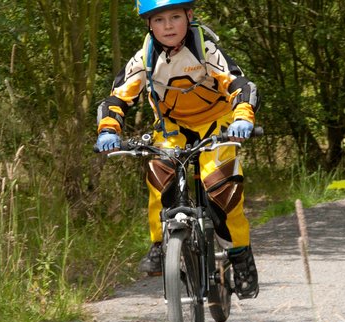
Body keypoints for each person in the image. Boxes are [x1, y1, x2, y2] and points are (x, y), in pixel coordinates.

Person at [94, 0, 260, 299]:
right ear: (149, 24)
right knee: (160, 176)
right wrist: (108, 129)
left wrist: (243, 118)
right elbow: (117, 99)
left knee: (222, 187)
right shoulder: (144, 59)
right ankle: (161, 245)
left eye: (174, 17)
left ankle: (240, 256)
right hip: (172, 127)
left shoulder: (206, 50)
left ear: (189, 16)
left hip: (217, 123)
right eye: (159, 20)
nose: (167, 26)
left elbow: (240, 84)